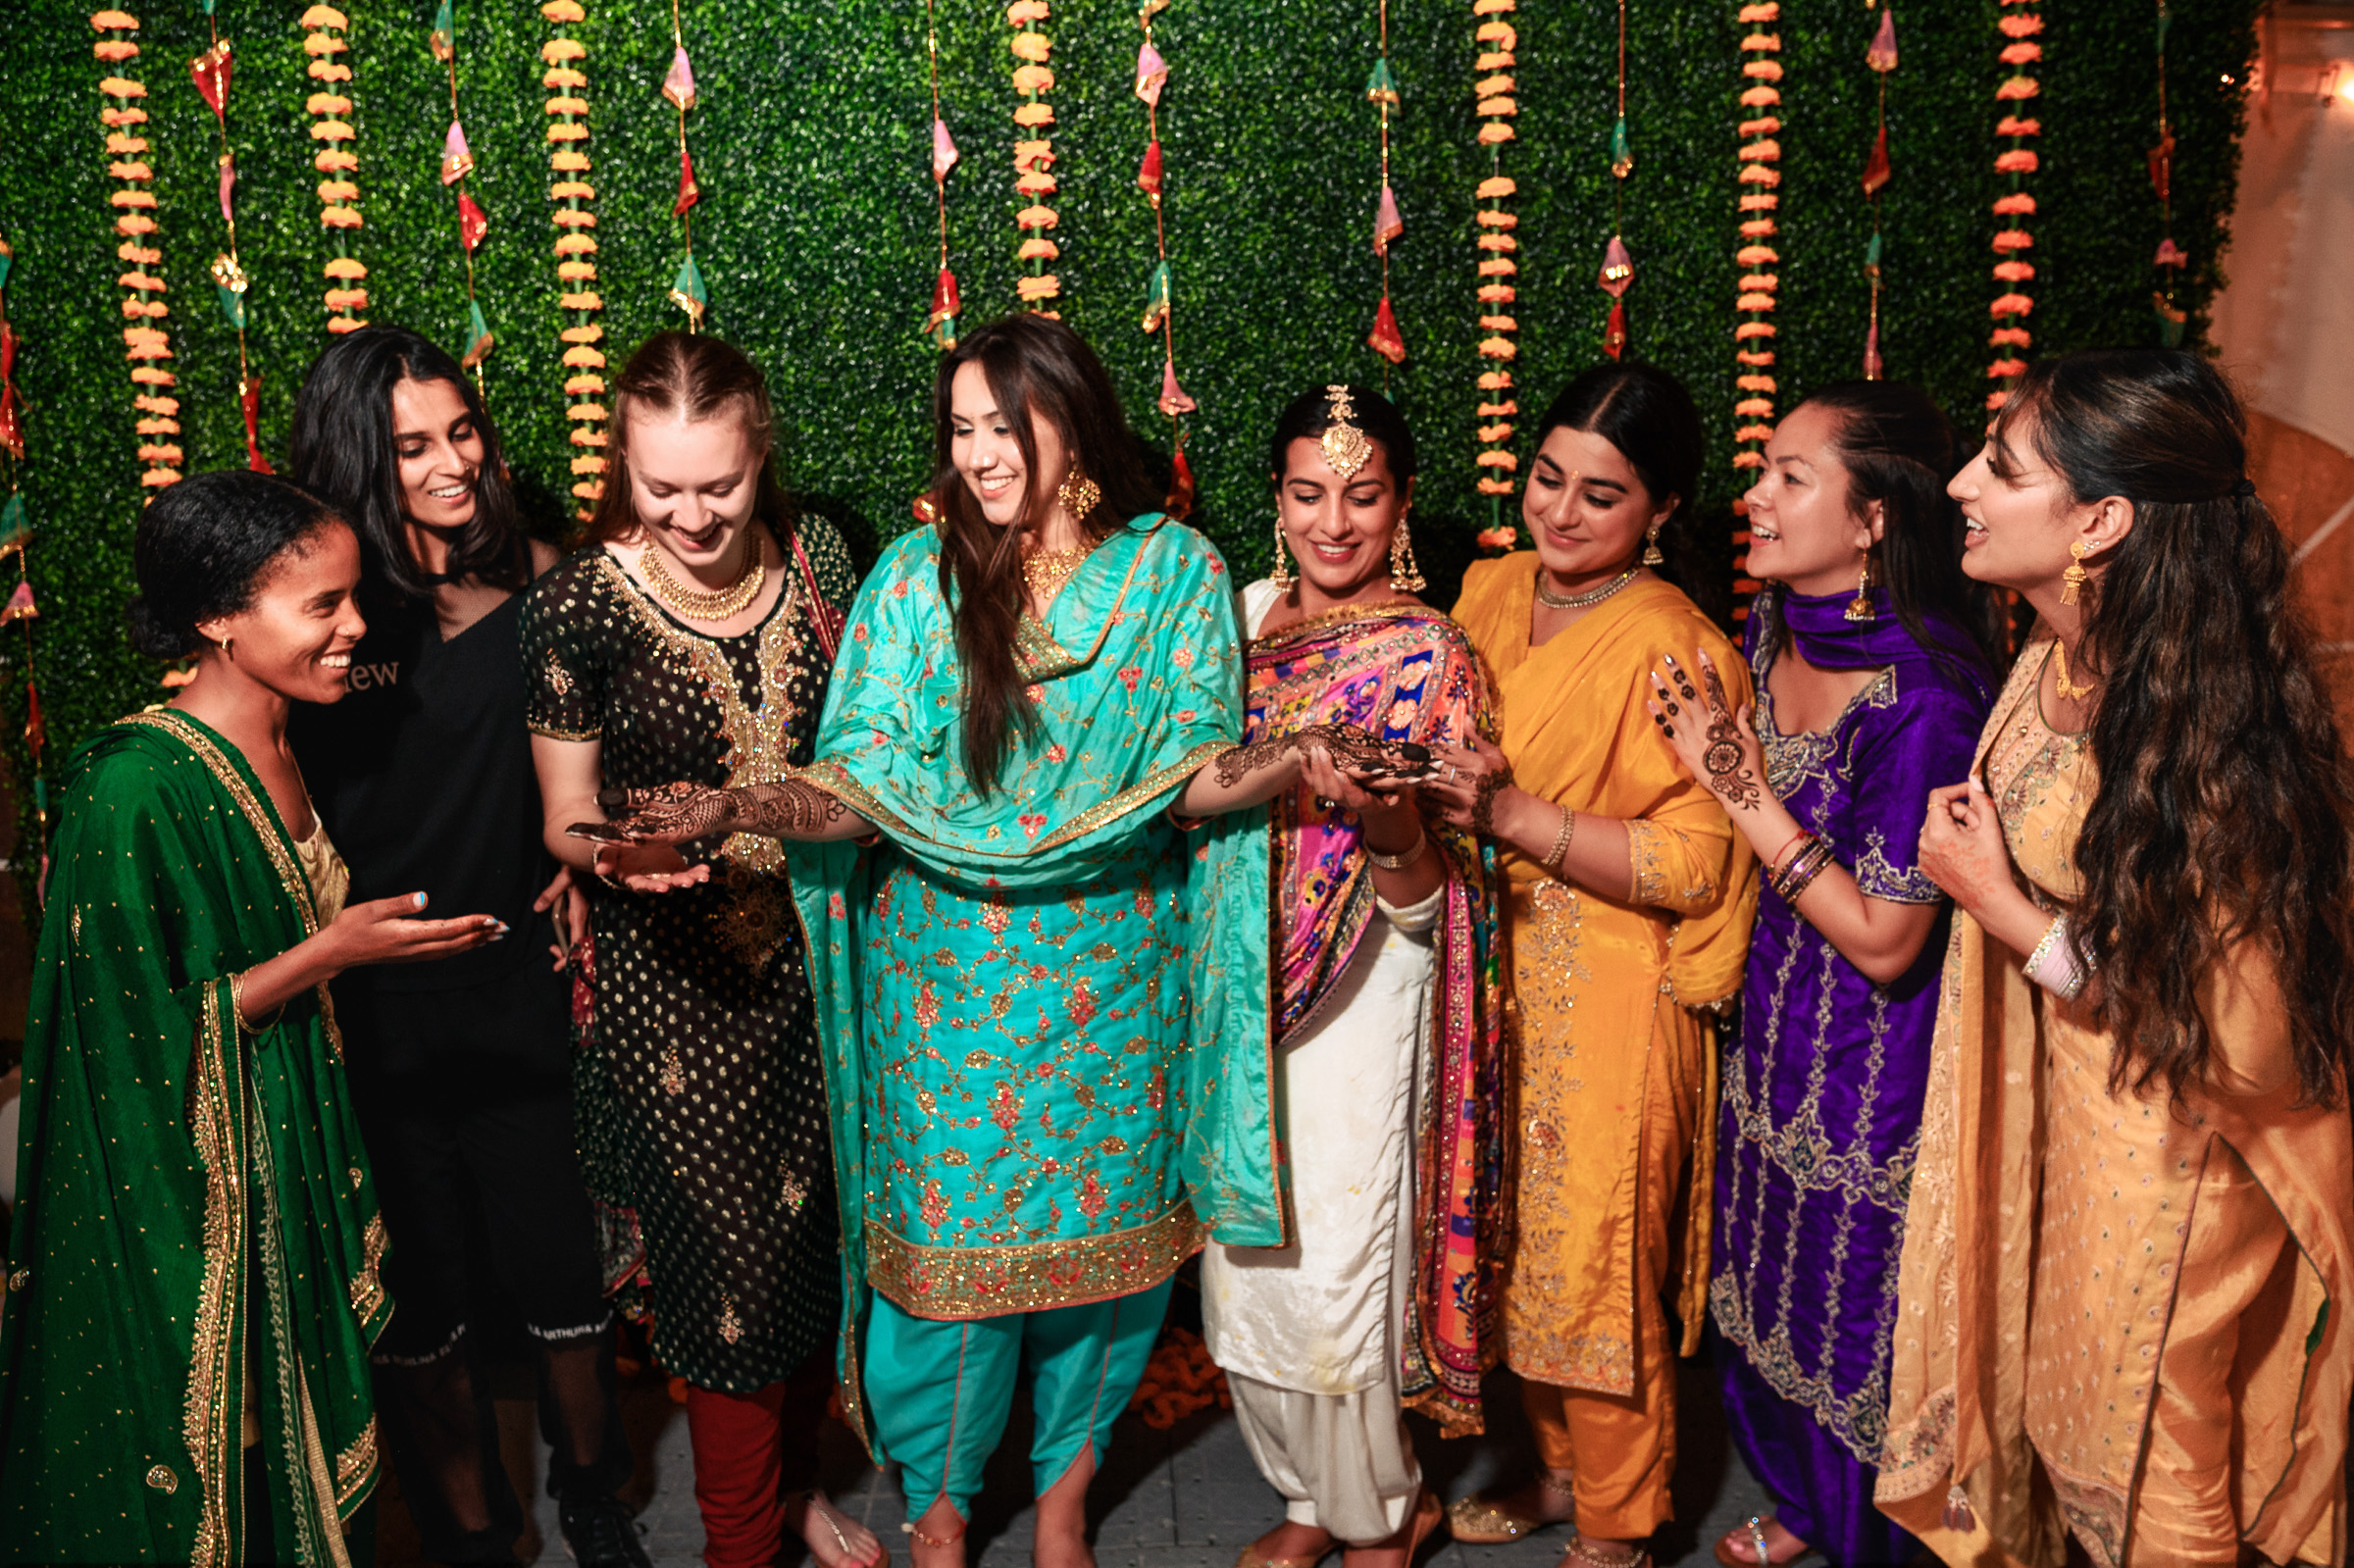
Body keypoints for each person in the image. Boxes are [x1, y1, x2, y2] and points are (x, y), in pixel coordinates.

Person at [592, 314, 1425, 1568]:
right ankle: (939, 1501)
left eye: (1005, 427)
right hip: (946, 999)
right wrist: (736, 802)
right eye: (962, 429)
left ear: (1073, 426)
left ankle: (1065, 1499)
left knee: (1106, 1275)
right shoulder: (917, 582)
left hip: (1115, 982)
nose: (979, 456)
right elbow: (854, 791)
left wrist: (1289, 757)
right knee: (943, 1283)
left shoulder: (1171, 575)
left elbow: (1192, 781)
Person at [1876, 349, 2354, 1567]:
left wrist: (2003, 909)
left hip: (2170, 1164)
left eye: (2004, 467)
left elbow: (2235, 1038)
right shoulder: (2051, 652)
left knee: (2150, 1452)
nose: (1960, 485)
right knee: (2054, 1417)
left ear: (2100, 520)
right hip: (2060, 1119)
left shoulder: (2211, 730)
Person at [0, 471, 503, 1562]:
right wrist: (333, 952)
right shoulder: (132, 789)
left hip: (289, 1150)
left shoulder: (292, 742)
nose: (356, 626)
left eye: (351, 596)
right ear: (218, 619)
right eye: (320, 606)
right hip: (190, 1198)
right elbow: (130, 1036)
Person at [520, 330, 883, 1568]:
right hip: (673, 984)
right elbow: (564, 812)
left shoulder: (826, 559)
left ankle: (793, 1494)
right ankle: (743, 1548)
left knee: (815, 1247)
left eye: (717, 486)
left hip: (830, 961)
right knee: (732, 1278)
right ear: (623, 459)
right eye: (658, 485)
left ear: (761, 449)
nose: (689, 514)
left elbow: (877, 746)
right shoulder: (576, 603)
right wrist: (611, 856)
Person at [284, 325, 641, 1568]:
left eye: (461, 431)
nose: (452, 464)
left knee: (560, 1274)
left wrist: (576, 859)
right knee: (420, 1302)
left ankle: (594, 1490)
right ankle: (472, 1527)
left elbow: (596, 759)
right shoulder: (321, 620)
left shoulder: (548, 581)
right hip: (368, 1010)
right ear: (353, 462)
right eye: (411, 447)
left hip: (516, 986)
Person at [1640, 384, 1996, 1568]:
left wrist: (1735, 784)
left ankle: (1866, 1536)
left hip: (1875, 1069)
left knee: (1854, 1323)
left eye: (1792, 476)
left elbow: (1890, 940)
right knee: (1767, 1293)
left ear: (1877, 516)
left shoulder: (1927, 695)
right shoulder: (1777, 625)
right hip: (1771, 1034)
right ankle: (1802, 1504)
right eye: (1761, 470)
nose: (1758, 495)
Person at [1431, 363, 1758, 1568]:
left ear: (1663, 511)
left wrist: (1517, 817)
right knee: (1505, 1241)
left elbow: (1696, 859)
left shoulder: (1678, 651)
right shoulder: (1490, 589)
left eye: (1601, 497)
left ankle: (1620, 1525)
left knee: (1595, 1267)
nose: (1560, 515)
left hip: (1614, 994)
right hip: (1487, 968)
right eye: (1547, 480)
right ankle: (1558, 1474)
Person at [1202, 385, 1504, 1568]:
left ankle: (1382, 1506)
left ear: (1404, 503)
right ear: (1276, 500)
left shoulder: (1429, 654)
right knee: (1245, 1251)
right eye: (1309, 493)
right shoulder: (1228, 620)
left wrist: (1385, 831)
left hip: (1370, 967)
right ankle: (1305, 1498)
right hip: (1229, 966)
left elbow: (1443, 888)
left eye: (1364, 496)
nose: (1335, 522)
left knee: (1338, 1252)